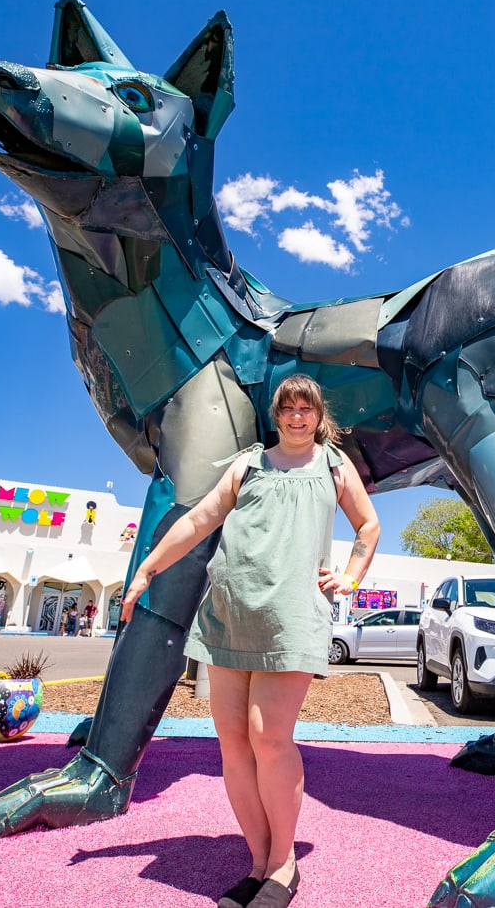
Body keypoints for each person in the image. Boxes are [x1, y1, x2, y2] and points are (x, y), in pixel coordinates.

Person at [122, 374, 379, 908]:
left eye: (306, 409)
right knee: (234, 746)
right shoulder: (248, 464)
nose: (296, 417)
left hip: (288, 618)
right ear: (277, 414)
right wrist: (147, 569)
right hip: (227, 616)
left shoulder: (332, 465)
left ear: (317, 414)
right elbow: (199, 519)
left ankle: (285, 866)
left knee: (269, 737)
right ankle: (259, 863)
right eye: (288, 409)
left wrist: (351, 577)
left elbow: (368, 526)